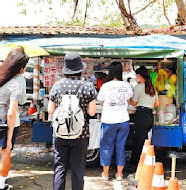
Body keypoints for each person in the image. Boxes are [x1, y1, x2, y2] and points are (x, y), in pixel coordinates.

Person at [48, 52, 96, 190]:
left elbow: (51, 110)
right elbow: (92, 112)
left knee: (60, 168)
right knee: (78, 169)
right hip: (81, 134)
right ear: (80, 69)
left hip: (60, 134)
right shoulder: (87, 86)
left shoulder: (57, 86)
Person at [97, 61, 133, 181]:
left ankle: (106, 174)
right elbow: (128, 99)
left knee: (106, 146)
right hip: (123, 120)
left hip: (108, 121)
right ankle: (119, 174)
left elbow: (101, 102)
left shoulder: (105, 86)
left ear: (110, 72)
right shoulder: (126, 85)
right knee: (120, 146)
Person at [0, 46, 29, 190]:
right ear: (20, 68)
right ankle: (1, 184)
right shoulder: (17, 83)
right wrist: (10, 139)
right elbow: (12, 113)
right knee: (5, 152)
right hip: (5, 124)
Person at [130, 66, 159, 167]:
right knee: (145, 140)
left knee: (139, 141)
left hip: (141, 116)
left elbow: (133, 103)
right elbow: (156, 104)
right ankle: (142, 162)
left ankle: (137, 164)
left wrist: (129, 100)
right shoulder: (152, 87)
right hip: (149, 116)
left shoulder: (138, 87)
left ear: (139, 75)